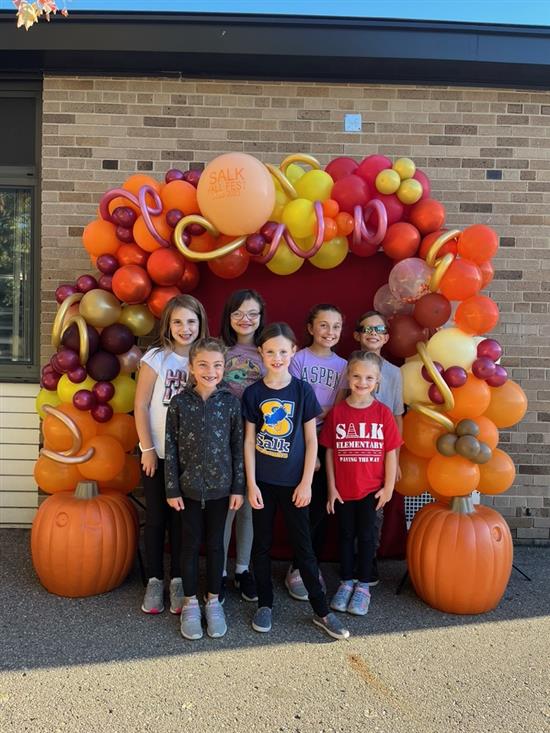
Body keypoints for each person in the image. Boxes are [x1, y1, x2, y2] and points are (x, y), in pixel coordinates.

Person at [242, 322, 350, 640]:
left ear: (293, 352)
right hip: (263, 482)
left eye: (283, 351)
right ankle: (265, 603)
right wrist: (251, 483)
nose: (277, 357)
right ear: (261, 353)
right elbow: (249, 442)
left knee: (304, 548)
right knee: (260, 547)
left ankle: (321, 610)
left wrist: (305, 483)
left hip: (294, 485)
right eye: (271, 351)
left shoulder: (302, 390)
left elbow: (311, 440)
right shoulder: (254, 393)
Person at [164, 338, 245, 640]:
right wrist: (172, 488)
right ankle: (189, 603)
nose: (210, 371)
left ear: (224, 367)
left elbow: (237, 447)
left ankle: (212, 600)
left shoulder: (231, 403)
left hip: (221, 490)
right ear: (191, 367)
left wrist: (238, 486)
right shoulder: (180, 402)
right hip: (186, 489)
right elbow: (170, 447)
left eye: (217, 365)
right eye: (203, 365)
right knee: (188, 544)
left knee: (215, 545)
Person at [134, 294, 208, 616]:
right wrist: (147, 449)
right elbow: (140, 405)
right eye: (178, 321)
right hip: (158, 454)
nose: (185, 328)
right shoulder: (156, 358)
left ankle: (178, 579)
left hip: (189, 458)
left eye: (191, 321)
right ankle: (154, 580)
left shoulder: (204, 359)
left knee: (183, 522)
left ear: (200, 323)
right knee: (156, 520)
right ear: (168, 324)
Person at [320, 351, 402, 615]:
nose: (362, 381)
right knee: (345, 536)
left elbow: (391, 452)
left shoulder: (383, 414)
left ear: (377, 381)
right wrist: (331, 488)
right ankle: (346, 582)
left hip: (371, 490)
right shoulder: (337, 413)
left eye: (369, 377)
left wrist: (389, 487)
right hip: (343, 490)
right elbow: (330, 451)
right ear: (348, 377)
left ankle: (363, 586)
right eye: (357, 376)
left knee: (367, 537)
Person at [286, 304, 348, 601]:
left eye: (336, 327)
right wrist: (314, 416)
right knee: (299, 505)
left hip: (327, 441)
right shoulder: (297, 359)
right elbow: (295, 401)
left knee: (322, 506)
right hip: (298, 438)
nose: (330, 332)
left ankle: (310, 566)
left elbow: (338, 407)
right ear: (310, 328)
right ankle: (296, 565)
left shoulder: (344, 366)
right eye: (323, 325)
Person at [219, 289, 266, 604]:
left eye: (252, 313)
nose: (245, 320)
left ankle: (243, 569)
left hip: (258, 441)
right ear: (229, 317)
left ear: (261, 318)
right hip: (223, 441)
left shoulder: (268, 353)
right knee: (225, 509)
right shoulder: (219, 351)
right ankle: (219, 573)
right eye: (238, 313)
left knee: (250, 507)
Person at [353, 309, 405, 582]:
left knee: (375, 511)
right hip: (351, 448)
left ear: (386, 338)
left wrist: (396, 457)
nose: (373, 334)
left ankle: (368, 559)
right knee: (348, 509)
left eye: (379, 330)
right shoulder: (347, 367)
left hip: (380, 452)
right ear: (357, 335)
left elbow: (397, 415)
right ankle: (349, 560)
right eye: (367, 329)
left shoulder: (395, 374)